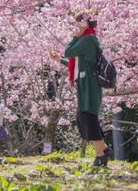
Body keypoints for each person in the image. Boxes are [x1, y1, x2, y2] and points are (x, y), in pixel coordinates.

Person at [48, 9, 113, 167]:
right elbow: (78, 63)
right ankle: (104, 150)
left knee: (87, 117)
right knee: (85, 117)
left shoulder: (88, 38)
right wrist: (60, 60)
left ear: (84, 24)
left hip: (89, 85)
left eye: (77, 22)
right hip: (86, 84)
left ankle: (100, 155)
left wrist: (75, 37)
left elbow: (69, 51)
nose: (75, 26)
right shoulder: (87, 39)